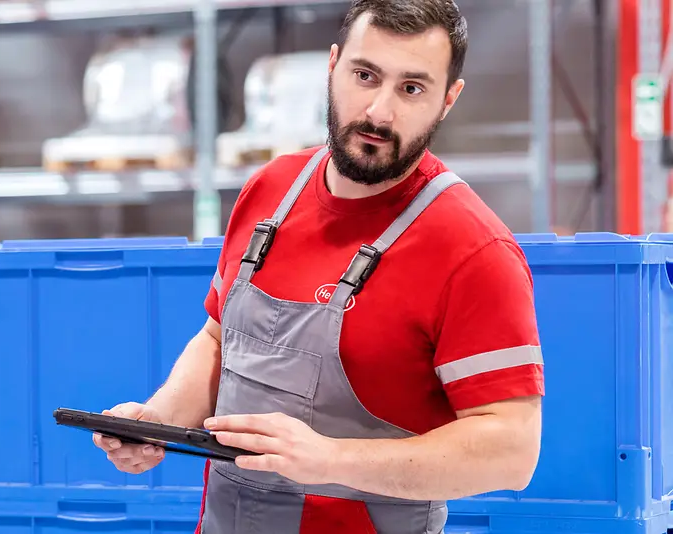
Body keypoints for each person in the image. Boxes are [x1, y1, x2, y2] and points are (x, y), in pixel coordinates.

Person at [92, 1, 545, 533]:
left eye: (412, 88)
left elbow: (512, 449)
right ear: (332, 66)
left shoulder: (473, 248)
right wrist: (162, 420)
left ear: (449, 100)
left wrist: (329, 460)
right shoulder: (270, 189)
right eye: (365, 75)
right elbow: (219, 340)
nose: (379, 111)